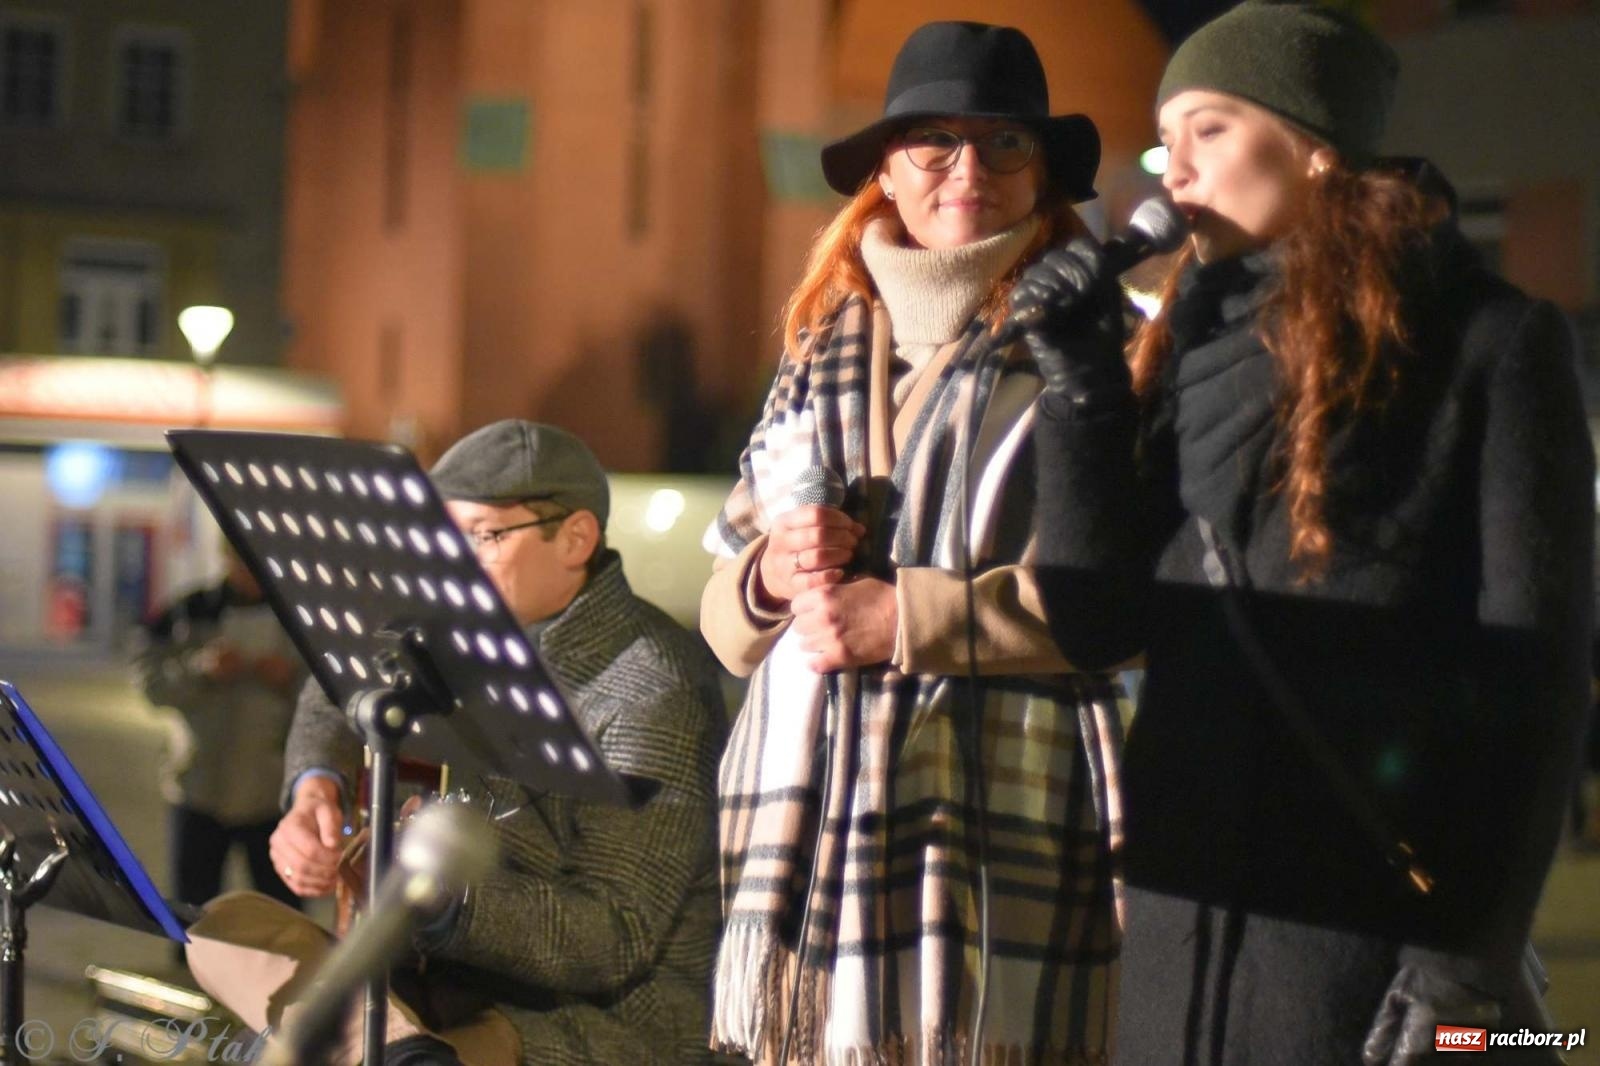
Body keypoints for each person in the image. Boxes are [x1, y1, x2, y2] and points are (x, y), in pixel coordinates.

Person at [1022, 3, 1594, 1063]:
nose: (1172, 167)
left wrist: (1460, 966)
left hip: (1370, 947)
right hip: (1181, 930)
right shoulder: (1185, 350)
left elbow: (1537, 686)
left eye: (1211, 127)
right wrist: (1080, 390)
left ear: (1316, 146)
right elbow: (1095, 618)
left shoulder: (1485, 344)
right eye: (1165, 134)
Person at [701, 22, 1125, 1065]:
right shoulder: (817, 348)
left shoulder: (1093, 345)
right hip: (806, 823)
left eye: (1002, 143)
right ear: (886, 168)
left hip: (999, 803)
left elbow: (1122, 599)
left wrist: (908, 617)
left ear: (1042, 174)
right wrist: (771, 574)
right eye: (932, 141)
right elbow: (724, 620)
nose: (965, 170)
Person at [185, 420, 728, 1066]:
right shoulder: (471, 625)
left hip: (582, 1020)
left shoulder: (652, 689)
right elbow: (331, 691)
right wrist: (314, 792)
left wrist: (435, 897)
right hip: (441, 978)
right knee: (221, 929)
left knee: (296, 1042)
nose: (456, 566)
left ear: (576, 538)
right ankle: (393, 1045)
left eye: (484, 536)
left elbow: (612, 939)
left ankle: (379, 1045)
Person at [137, 543, 304, 912]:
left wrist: (291, 680)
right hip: (199, 786)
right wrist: (202, 669)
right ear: (225, 556)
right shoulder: (188, 611)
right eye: (242, 560)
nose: (250, 573)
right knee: (193, 916)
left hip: (274, 790)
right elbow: (151, 683)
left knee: (283, 916)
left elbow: (331, 697)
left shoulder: (301, 617)